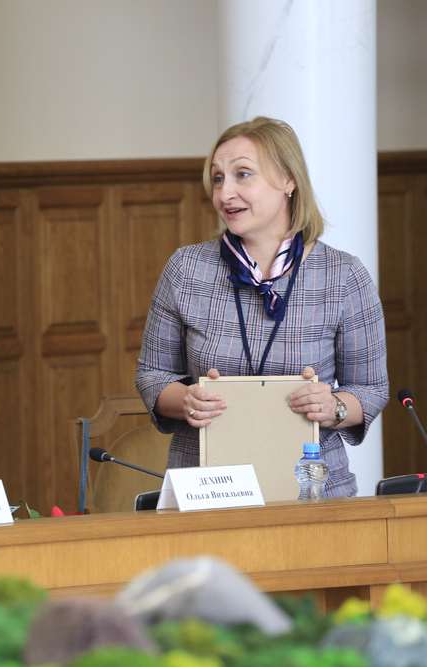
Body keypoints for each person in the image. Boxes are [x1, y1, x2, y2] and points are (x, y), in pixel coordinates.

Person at [135, 116, 388, 496]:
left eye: (243, 175)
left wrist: (333, 406)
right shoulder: (186, 268)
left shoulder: (343, 274)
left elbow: (371, 389)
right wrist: (186, 400)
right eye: (218, 179)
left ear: (289, 180)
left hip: (313, 489)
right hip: (205, 488)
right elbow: (152, 375)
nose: (224, 194)